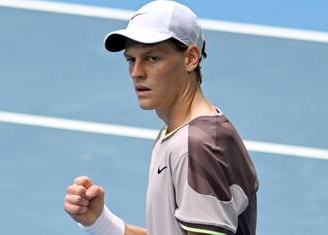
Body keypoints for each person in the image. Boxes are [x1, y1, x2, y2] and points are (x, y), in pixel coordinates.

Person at [64, 1, 259, 235]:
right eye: (131, 59)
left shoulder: (196, 146)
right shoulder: (180, 135)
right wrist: (100, 222)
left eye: (152, 58)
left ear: (190, 58)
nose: (137, 72)